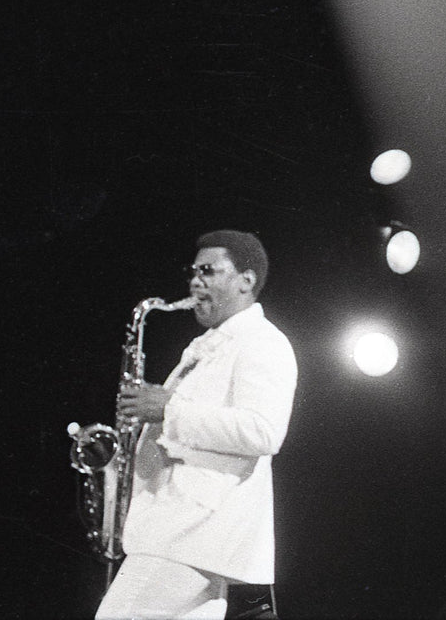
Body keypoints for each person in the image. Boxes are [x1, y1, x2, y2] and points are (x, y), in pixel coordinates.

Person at [96, 229, 298, 620]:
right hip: (184, 532)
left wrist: (169, 409)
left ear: (246, 281)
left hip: (194, 532)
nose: (194, 281)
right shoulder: (208, 346)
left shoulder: (262, 342)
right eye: (193, 271)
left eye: (208, 271)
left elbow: (263, 431)